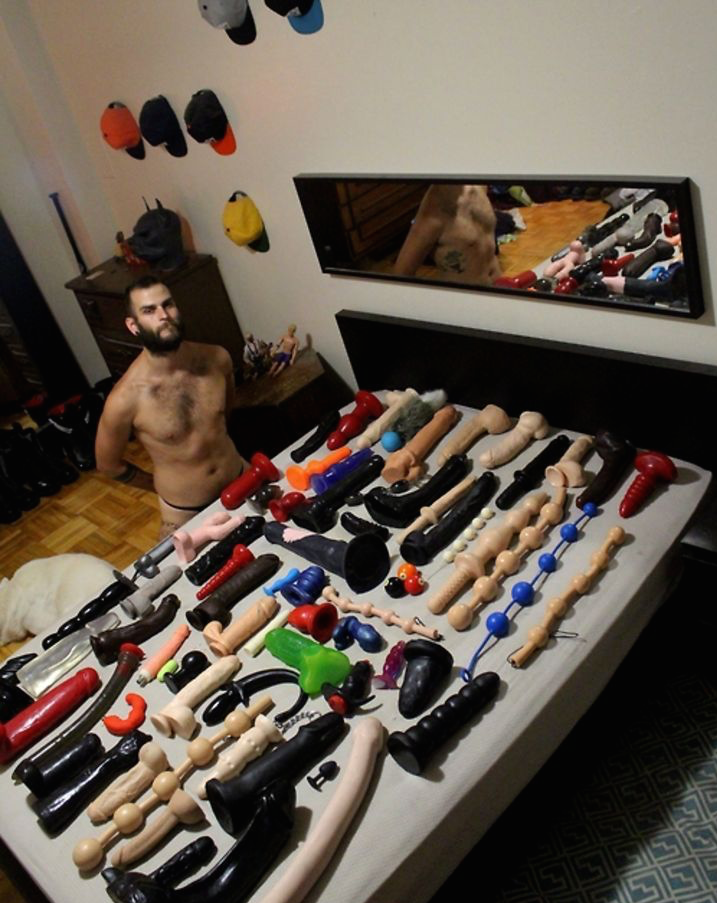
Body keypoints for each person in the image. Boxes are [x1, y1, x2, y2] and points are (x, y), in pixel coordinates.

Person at [94, 275, 248, 539]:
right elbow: (108, 465)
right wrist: (159, 487)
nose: (163, 315)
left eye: (168, 304)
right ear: (133, 326)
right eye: (149, 310)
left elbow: (226, 413)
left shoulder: (217, 358)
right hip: (187, 511)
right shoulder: (125, 399)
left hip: (241, 478)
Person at [393, 184, 502, 285]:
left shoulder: (479, 185)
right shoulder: (436, 203)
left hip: (497, 289)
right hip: (462, 297)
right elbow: (401, 274)